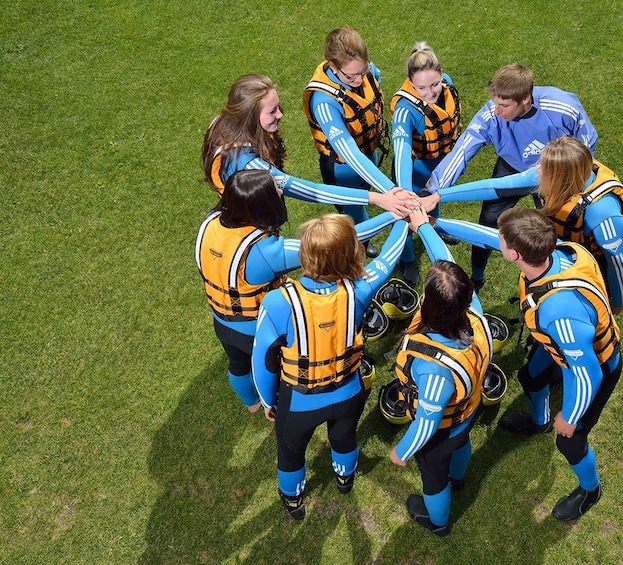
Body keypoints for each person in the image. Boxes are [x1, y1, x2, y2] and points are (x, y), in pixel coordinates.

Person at [433, 207, 622, 521]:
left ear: (514, 255)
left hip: (596, 364)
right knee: (530, 378)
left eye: (503, 241)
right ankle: (539, 422)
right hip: (562, 344)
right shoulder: (564, 250)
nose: (498, 242)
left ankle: (590, 491)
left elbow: (586, 372)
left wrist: (571, 416)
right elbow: (490, 238)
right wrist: (434, 222)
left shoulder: (557, 312)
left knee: (570, 442)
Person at [195, 170, 397, 413]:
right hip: (255, 329)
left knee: (237, 365)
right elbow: (333, 244)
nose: (281, 191)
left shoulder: (210, 221)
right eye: (274, 191)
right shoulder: (265, 252)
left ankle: (252, 404)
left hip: (220, 321)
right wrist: (394, 215)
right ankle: (273, 403)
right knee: (275, 370)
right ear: (261, 206)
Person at [252, 212, 409, 520]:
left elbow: (263, 362)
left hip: (298, 404)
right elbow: (387, 260)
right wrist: (405, 219)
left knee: (290, 453)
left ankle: (294, 502)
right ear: (352, 253)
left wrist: (268, 401)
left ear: (305, 255)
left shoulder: (277, 302)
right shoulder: (360, 290)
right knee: (345, 438)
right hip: (349, 394)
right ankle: (344, 478)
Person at [425, 63, 597, 290]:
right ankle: (476, 276)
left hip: (554, 175)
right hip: (511, 168)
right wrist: (432, 190)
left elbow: (586, 145)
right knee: (487, 221)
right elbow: (462, 151)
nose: (496, 111)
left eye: (504, 105)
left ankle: (566, 279)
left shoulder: (563, 107)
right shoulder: (490, 114)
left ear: (525, 98)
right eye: (495, 102)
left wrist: (570, 180)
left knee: (560, 229)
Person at [422, 136, 623, 313]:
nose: (537, 172)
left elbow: (616, 262)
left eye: (544, 169)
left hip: (587, 264)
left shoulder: (603, 215)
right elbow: (499, 186)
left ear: (562, 179)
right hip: (560, 246)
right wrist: (439, 196)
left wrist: (618, 304)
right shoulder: (566, 172)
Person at [388, 208, 492, 536]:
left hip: (442, 431)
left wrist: (402, 451)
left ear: (427, 303)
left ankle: (439, 522)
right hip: (470, 408)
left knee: (433, 476)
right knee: (462, 445)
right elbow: (443, 257)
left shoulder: (433, 369)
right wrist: (422, 226)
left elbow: (427, 422)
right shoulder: (474, 313)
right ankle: (459, 479)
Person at [202, 74, 416, 216]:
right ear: (248, 116)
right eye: (272, 111)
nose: (280, 114)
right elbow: (311, 191)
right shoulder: (248, 165)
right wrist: (379, 198)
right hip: (251, 224)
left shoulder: (225, 124)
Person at [303, 26, 399, 257]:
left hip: (369, 152)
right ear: (334, 67)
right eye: (351, 76)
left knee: (364, 196)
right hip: (342, 166)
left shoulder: (367, 71)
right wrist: (390, 190)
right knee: (355, 214)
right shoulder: (323, 101)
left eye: (363, 71)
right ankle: (362, 247)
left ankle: (363, 241)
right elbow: (350, 153)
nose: (359, 79)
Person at [389, 41, 463, 285]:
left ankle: (436, 228)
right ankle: (407, 258)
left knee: (434, 199)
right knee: (406, 214)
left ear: (442, 74)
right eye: (422, 88)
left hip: (440, 164)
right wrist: (403, 189)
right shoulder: (404, 109)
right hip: (413, 171)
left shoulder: (447, 84)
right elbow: (401, 151)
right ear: (410, 82)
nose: (431, 93)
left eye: (435, 84)